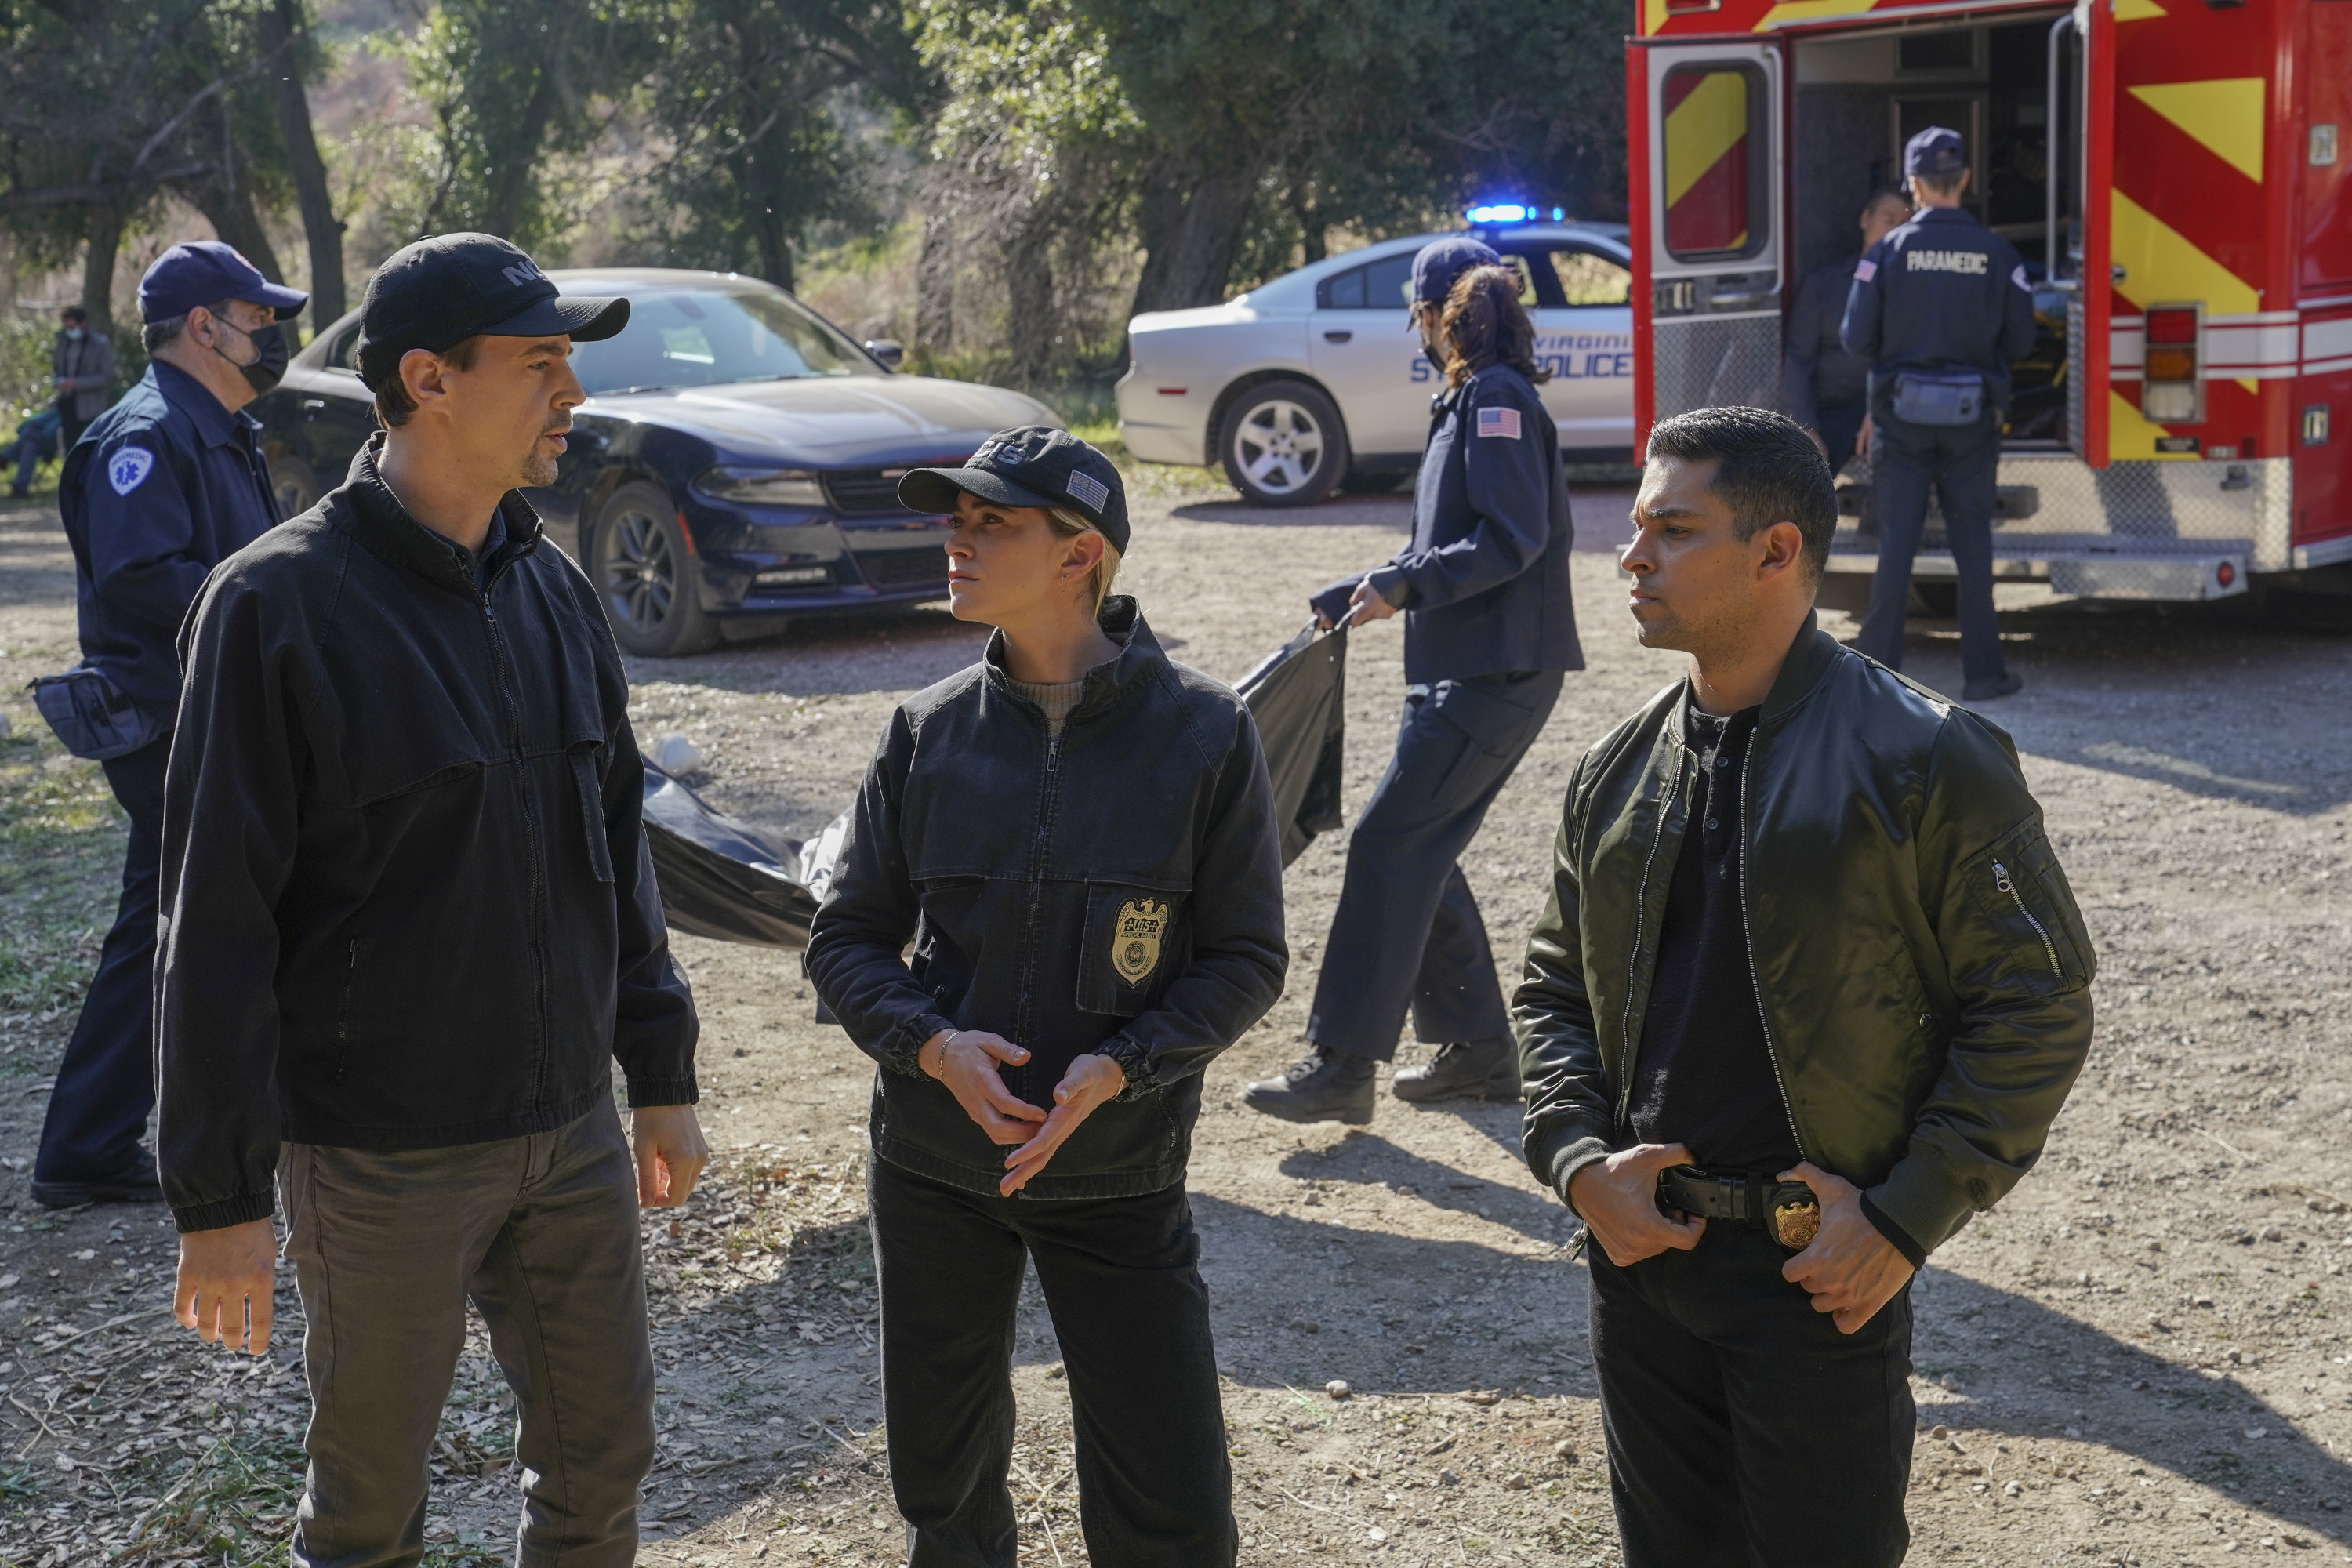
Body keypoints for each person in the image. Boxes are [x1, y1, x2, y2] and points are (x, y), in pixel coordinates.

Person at [158, 232, 706, 1567]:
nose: (571, 392)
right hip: (382, 1160)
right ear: (429, 379)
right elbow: (214, 922)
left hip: (570, 1129)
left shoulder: (559, 593)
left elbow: (614, 847)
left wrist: (660, 1066)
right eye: (539, 363)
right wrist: (220, 1199)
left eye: (570, 360)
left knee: (603, 1465)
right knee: (368, 1510)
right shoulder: (275, 608)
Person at [1515, 405, 2095, 1567]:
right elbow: (1551, 992)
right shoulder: (1614, 769)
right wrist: (1579, 1168)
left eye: (1673, 530)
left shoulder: (1929, 756)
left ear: (1778, 551)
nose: (1631, 558)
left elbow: (2038, 999)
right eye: (1636, 526)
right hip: (1640, 1265)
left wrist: (1901, 1218)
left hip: (1814, 1276)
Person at [806, 427, 1287, 1567]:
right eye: (955, 521)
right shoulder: (923, 731)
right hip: (935, 1166)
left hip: (1117, 1168)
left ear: (1081, 556)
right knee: (941, 1483)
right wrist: (931, 1048)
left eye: (992, 525)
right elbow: (848, 939)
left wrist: (1126, 1065)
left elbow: (1247, 957)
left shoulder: (1208, 734)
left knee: (1170, 1501)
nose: (956, 543)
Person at [1242, 241, 1581, 1124]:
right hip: (1461, 670)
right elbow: (1449, 537)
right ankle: (1479, 1053)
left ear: (1436, 315)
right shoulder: (1468, 399)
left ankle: (1343, 1063)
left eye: (1420, 320)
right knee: (1421, 843)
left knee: (1390, 844)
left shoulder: (1495, 400)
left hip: (1495, 674)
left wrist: (1409, 583)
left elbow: (1514, 538)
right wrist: (1370, 582)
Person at [31, 242, 305, 1210]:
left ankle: (92, 1141)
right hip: (168, 723)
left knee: (178, 929)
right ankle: (107, 1142)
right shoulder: (142, 434)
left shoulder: (217, 424)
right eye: (256, 316)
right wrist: (271, 610)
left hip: (210, 714)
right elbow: (144, 577)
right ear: (204, 327)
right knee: (194, 929)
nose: (270, 333)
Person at [1842, 126, 2038, 702]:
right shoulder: (2000, 255)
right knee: (1972, 542)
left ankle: (1879, 675)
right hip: (1973, 420)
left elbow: (1856, 339)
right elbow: (2023, 339)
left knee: (1896, 542)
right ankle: (1984, 674)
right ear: (1966, 182)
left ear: (1915, 185)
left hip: (1900, 424)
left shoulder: (1884, 254)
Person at [1781, 190, 1911, 478]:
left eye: (1905, 225)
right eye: (1888, 220)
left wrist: (1878, 411)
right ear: (1865, 219)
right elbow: (1798, 359)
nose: (1895, 231)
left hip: (1891, 407)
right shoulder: (1822, 284)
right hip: (1831, 411)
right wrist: (1806, 431)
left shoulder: (1917, 290)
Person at [51, 304, 117, 452]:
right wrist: (58, 382)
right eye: (67, 327)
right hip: (67, 404)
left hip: (90, 407)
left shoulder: (100, 344)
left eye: (73, 326)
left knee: (90, 448)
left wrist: (76, 384)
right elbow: (57, 368)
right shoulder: (62, 342)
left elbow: (106, 377)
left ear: (83, 324)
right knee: (70, 447)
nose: (70, 331)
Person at [5, 405, 61, 499]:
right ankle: (20, 487)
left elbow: (52, 432)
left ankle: (7, 456)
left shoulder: (72, 409)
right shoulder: (57, 407)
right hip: (39, 440)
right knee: (30, 447)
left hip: (51, 442)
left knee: (30, 435)